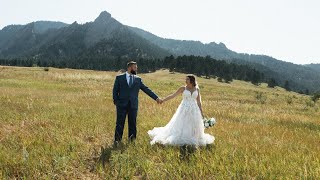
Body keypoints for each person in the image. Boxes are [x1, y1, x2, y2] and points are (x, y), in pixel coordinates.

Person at [148, 75, 214, 146]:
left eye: (187, 79)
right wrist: (163, 100)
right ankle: (182, 137)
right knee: (182, 123)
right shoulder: (183, 88)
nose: (185, 81)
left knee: (193, 124)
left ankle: (193, 137)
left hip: (194, 110)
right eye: (186, 79)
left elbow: (199, 102)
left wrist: (201, 113)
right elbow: (173, 95)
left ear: (192, 81)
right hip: (184, 109)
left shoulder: (197, 89)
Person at [113, 61, 162, 147]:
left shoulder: (138, 79)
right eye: (135, 67)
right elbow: (115, 91)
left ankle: (131, 141)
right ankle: (117, 141)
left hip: (133, 105)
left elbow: (146, 89)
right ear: (130, 68)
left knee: (133, 123)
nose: (136, 69)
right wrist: (117, 102)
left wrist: (156, 98)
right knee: (119, 123)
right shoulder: (119, 78)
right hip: (121, 105)